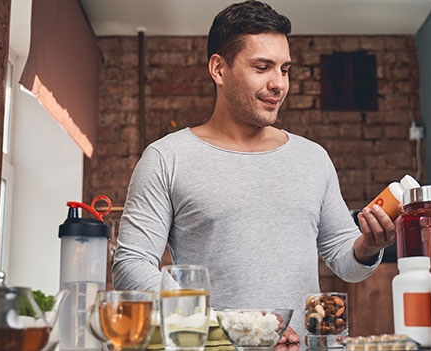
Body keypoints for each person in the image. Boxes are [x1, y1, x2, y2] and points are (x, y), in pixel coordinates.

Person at [113, 1, 399, 343]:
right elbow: (130, 267)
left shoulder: (313, 158)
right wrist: (231, 329)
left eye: (285, 69)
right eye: (262, 67)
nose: (278, 84)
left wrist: (367, 247)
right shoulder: (166, 158)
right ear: (219, 69)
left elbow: (342, 258)